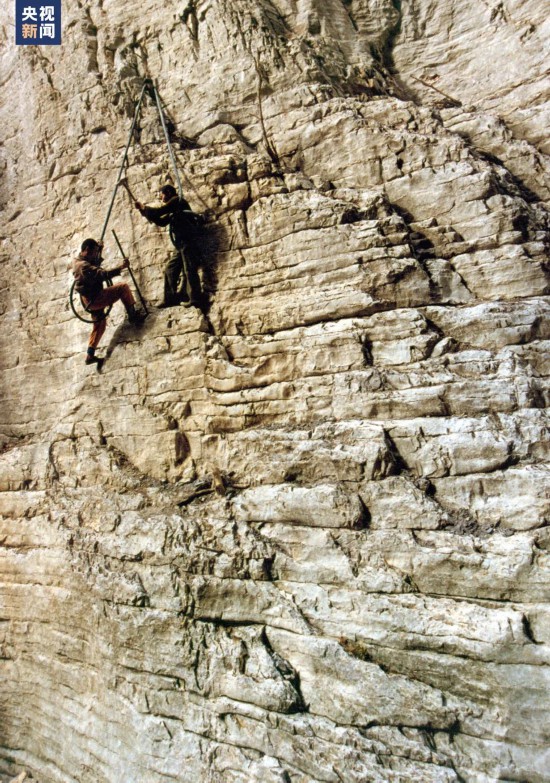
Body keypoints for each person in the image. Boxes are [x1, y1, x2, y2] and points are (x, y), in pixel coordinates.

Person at [73, 238, 145, 365]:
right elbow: (102, 274)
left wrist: (99, 249)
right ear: (86, 250)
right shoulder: (82, 266)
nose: (96, 254)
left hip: (89, 299)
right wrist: (121, 268)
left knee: (100, 324)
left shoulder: (80, 260)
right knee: (123, 288)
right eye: (94, 251)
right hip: (95, 299)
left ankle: (90, 355)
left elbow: (94, 262)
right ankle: (133, 316)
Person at [134, 184, 203, 308]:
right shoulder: (174, 210)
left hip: (188, 241)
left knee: (189, 269)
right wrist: (143, 211)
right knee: (170, 269)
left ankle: (195, 299)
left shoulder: (177, 201)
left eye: (162, 194)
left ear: (169, 193)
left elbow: (159, 211)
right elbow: (161, 221)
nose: (161, 198)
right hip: (181, 244)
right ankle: (170, 299)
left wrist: (144, 207)